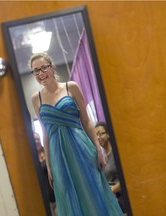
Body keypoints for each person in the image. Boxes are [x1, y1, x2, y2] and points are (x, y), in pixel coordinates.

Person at [30, 52, 123, 216]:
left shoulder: (70, 87)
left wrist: (98, 149)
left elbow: (86, 121)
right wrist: (50, 165)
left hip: (81, 148)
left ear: (51, 67)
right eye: (35, 71)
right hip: (58, 155)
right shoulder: (36, 99)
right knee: (68, 194)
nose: (40, 73)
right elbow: (45, 133)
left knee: (92, 188)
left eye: (43, 68)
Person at [95, 122, 126, 214]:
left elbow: (126, 179)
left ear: (108, 134)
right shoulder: (103, 158)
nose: (98, 137)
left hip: (122, 199)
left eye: (101, 133)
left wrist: (112, 189)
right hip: (111, 201)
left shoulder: (116, 153)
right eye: (96, 135)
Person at [33, 132, 57, 216]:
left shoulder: (49, 152)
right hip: (45, 199)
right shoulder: (32, 159)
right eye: (34, 140)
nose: (36, 141)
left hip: (57, 193)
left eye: (38, 139)